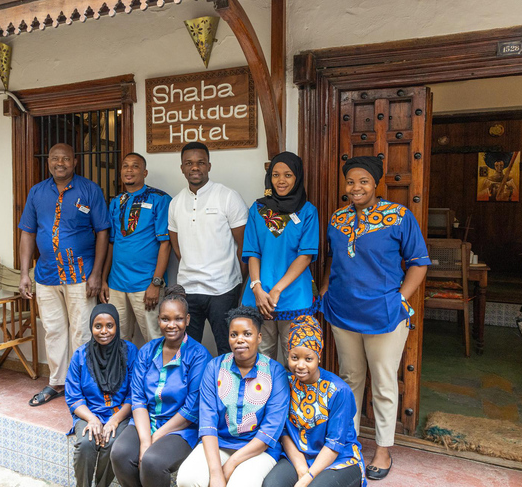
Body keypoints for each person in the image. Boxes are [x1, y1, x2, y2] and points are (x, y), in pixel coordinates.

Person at [319, 156, 429, 481]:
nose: (356, 188)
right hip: (343, 312)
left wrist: (400, 298)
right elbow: (333, 259)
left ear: (376, 183)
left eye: (363, 181)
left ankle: (383, 448)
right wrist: (325, 288)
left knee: (383, 383)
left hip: (384, 315)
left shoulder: (399, 217)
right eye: (351, 182)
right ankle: (349, 445)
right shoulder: (337, 219)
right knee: (350, 379)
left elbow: (419, 263)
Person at [19, 143, 111, 406]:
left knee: (82, 331)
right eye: (55, 158)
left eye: (66, 159)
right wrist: (25, 273)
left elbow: (103, 231)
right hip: (46, 275)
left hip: (81, 274)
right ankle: (57, 382)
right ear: (48, 161)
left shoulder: (90, 190)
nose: (60, 163)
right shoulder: (37, 192)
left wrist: (97, 273)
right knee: (53, 330)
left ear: (75, 162)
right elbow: (28, 232)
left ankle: (81, 384)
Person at [177, 306, 290, 487]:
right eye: (234, 335)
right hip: (220, 443)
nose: (240, 340)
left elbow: (271, 429)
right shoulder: (215, 368)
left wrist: (231, 464)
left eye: (247, 334)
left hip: (259, 449)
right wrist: (215, 472)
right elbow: (208, 422)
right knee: (187, 479)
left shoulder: (275, 372)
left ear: (259, 337)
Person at [110, 285, 212, 487]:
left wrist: (155, 436)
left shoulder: (198, 356)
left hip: (180, 429)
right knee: (119, 453)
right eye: (165, 319)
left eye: (178, 319)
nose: (171, 325)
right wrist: (145, 439)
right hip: (146, 421)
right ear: (158, 321)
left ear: (188, 320)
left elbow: (191, 410)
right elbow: (138, 399)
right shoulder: (148, 351)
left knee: (153, 461)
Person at [263, 315, 366, 487]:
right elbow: (284, 432)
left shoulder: (338, 390)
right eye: (294, 357)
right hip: (299, 455)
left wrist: (307, 478)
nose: (300, 365)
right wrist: (301, 468)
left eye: (308, 359)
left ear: (318, 357)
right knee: (271, 485)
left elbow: (335, 444)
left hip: (338, 460)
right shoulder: (284, 383)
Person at [168, 142, 249, 354]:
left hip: (222, 289)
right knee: (187, 351)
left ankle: (227, 387)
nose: (195, 167)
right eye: (189, 163)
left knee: (228, 348)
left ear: (209, 166)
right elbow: (177, 247)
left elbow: (244, 245)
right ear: (182, 167)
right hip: (188, 289)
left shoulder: (228, 197)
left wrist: (236, 280)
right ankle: (195, 388)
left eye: (200, 163)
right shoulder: (175, 203)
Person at [242, 151, 319, 361]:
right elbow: (252, 252)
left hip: (294, 296)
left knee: (295, 360)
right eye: (275, 175)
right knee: (260, 360)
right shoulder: (257, 209)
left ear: (297, 178)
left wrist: (277, 289)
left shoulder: (307, 211)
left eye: (288, 175)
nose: (281, 180)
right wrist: (257, 287)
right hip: (259, 297)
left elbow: (305, 255)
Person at [101, 152, 172, 341]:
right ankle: (122, 372)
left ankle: (157, 372)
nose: (129, 170)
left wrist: (156, 283)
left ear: (145, 172)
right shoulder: (116, 202)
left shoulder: (159, 199)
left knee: (155, 338)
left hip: (145, 284)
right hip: (117, 284)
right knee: (117, 338)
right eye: (125, 166)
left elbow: (165, 243)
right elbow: (112, 243)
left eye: (135, 166)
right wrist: (104, 280)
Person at [65, 304, 138, 487]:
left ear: (117, 326)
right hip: (89, 413)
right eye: (98, 326)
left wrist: (114, 420)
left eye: (109, 325)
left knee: (112, 443)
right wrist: (92, 419)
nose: (104, 331)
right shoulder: (81, 355)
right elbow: (74, 397)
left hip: (120, 413)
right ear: (91, 327)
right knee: (85, 444)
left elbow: (134, 395)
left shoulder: (130, 352)